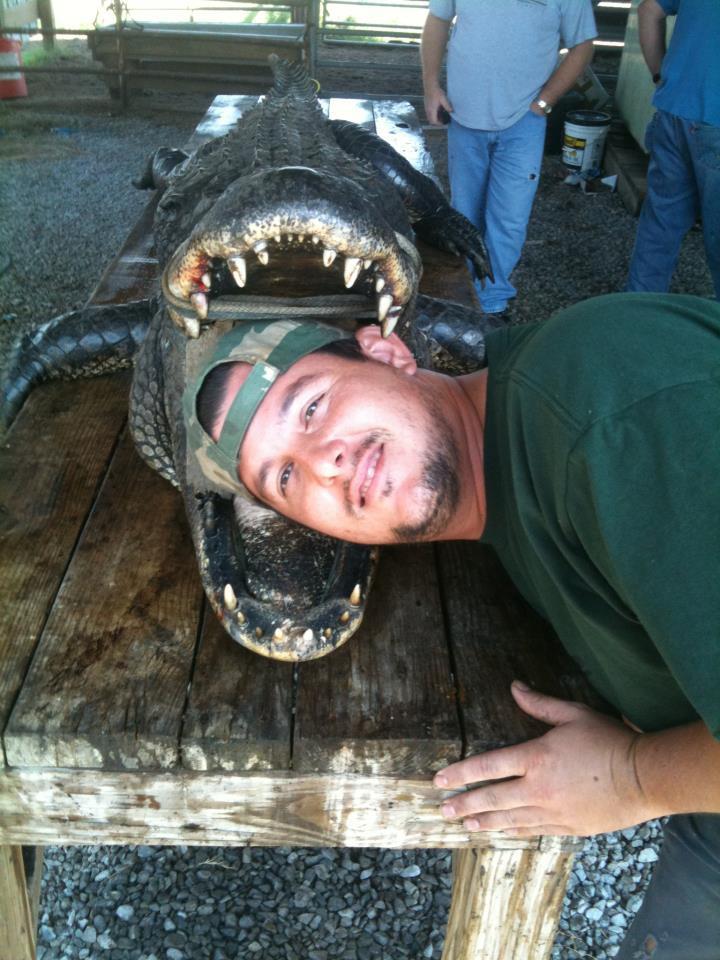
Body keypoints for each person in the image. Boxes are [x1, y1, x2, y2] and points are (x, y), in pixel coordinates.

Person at [184, 294, 720, 958]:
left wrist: (632, 779)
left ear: (387, 352)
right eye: (286, 477)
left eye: (313, 407)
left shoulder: (608, 410)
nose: (325, 462)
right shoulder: (508, 455)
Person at [420, 1, 596, 317]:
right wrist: (431, 87)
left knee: (509, 216)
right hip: (464, 114)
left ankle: (491, 302)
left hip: (524, 121)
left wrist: (544, 102)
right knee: (465, 211)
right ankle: (463, 293)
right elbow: (437, 20)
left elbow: (582, 46)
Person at [627, 0, 720, 300]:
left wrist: (660, 76)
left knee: (660, 226)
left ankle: (637, 312)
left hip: (674, 111)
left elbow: (648, 10)